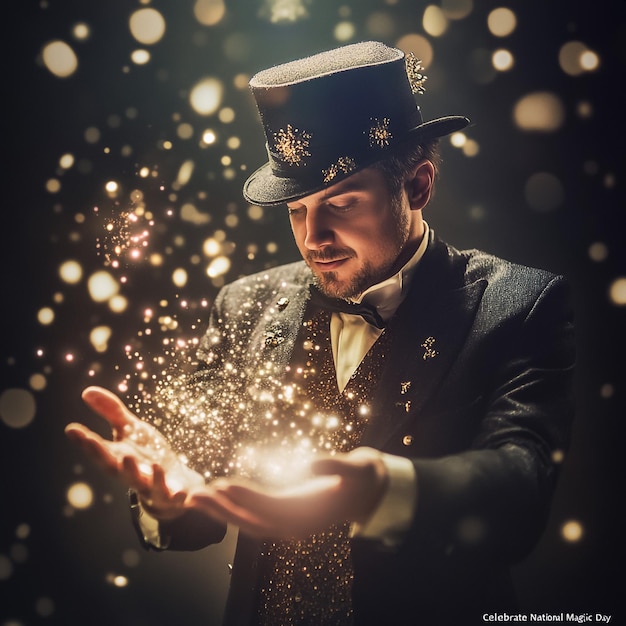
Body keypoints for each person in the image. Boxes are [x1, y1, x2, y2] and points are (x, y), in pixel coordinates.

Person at [65, 41, 575, 625]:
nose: (314, 237)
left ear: (417, 186)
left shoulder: (521, 305)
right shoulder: (243, 307)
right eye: (297, 210)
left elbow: (521, 491)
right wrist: (169, 496)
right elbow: (198, 498)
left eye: (342, 203)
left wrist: (379, 488)